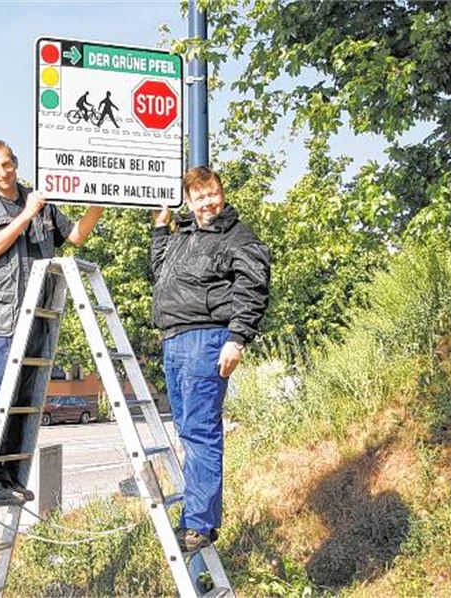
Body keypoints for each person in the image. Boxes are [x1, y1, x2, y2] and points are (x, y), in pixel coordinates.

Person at [0, 139, 103, 504]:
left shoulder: (43, 204)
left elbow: (76, 236)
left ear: (16, 163)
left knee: (25, 399)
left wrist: (99, 200)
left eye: (7, 164)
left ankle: (11, 476)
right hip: (0, 321)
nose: (3, 172)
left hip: (37, 317)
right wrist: (25, 215)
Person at [150, 166, 270, 553]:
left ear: (222, 193)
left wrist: (237, 339)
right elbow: (160, 274)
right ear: (189, 200)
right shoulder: (183, 234)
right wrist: (159, 230)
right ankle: (197, 516)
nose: (208, 202)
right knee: (187, 430)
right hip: (174, 338)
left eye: (212, 193)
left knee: (200, 430)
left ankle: (199, 524)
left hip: (206, 339)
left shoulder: (238, 236)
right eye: (199, 196)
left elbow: (253, 287)